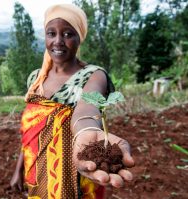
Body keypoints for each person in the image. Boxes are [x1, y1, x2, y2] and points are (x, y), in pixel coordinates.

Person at [10, 4, 135, 199]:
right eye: (51, 33)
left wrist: (86, 131)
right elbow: (31, 130)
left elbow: (86, 109)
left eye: (68, 34)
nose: (58, 41)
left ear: (79, 38)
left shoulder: (93, 75)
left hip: (77, 167)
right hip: (38, 168)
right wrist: (19, 168)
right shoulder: (36, 78)